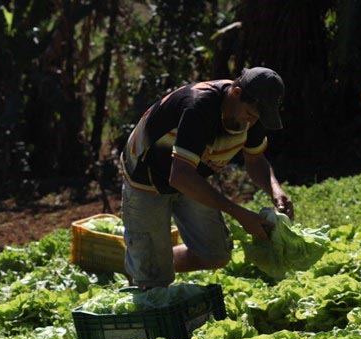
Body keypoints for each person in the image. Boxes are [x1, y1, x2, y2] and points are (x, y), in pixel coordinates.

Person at [119, 66, 295, 288]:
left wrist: (275, 188)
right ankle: (145, 268)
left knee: (216, 255)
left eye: (257, 117)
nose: (251, 121)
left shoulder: (253, 113)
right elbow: (180, 177)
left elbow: (255, 160)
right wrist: (239, 213)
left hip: (190, 174)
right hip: (146, 177)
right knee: (153, 281)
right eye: (250, 114)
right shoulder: (199, 106)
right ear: (236, 93)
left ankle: (143, 262)